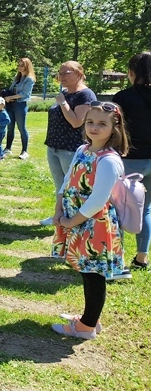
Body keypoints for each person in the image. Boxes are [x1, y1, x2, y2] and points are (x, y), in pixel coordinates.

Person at [50, 101, 129, 339]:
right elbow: (66, 181)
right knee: (86, 271)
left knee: (93, 275)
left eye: (102, 124)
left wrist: (71, 222)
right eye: (90, 122)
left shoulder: (108, 160)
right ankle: (90, 319)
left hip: (94, 225)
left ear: (115, 128)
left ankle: (85, 328)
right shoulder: (82, 150)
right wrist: (58, 210)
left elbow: (97, 201)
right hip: (75, 220)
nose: (94, 128)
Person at [40, 61, 98, 225]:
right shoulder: (65, 92)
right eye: (60, 73)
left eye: (67, 73)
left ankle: (75, 219)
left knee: (72, 186)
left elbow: (76, 122)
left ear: (79, 74)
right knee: (60, 185)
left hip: (71, 148)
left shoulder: (85, 95)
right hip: (54, 146)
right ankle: (59, 216)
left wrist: (63, 103)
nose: (62, 76)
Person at [112, 52, 151, 271]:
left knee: (118, 209)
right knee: (145, 209)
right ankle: (141, 258)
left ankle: (116, 257)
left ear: (131, 72)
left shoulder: (123, 97)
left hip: (129, 160)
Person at [3, 58, 36, 160]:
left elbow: (25, 94)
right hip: (11, 105)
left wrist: (10, 97)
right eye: (19, 65)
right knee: (10, 126)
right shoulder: (17, 77)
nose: (19, 67)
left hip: (20, 105)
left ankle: (24, 151)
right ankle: (8, 148)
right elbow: (11, 89)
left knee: (21, 128)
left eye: (22, 65)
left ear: (27, 67)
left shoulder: (29, 79)